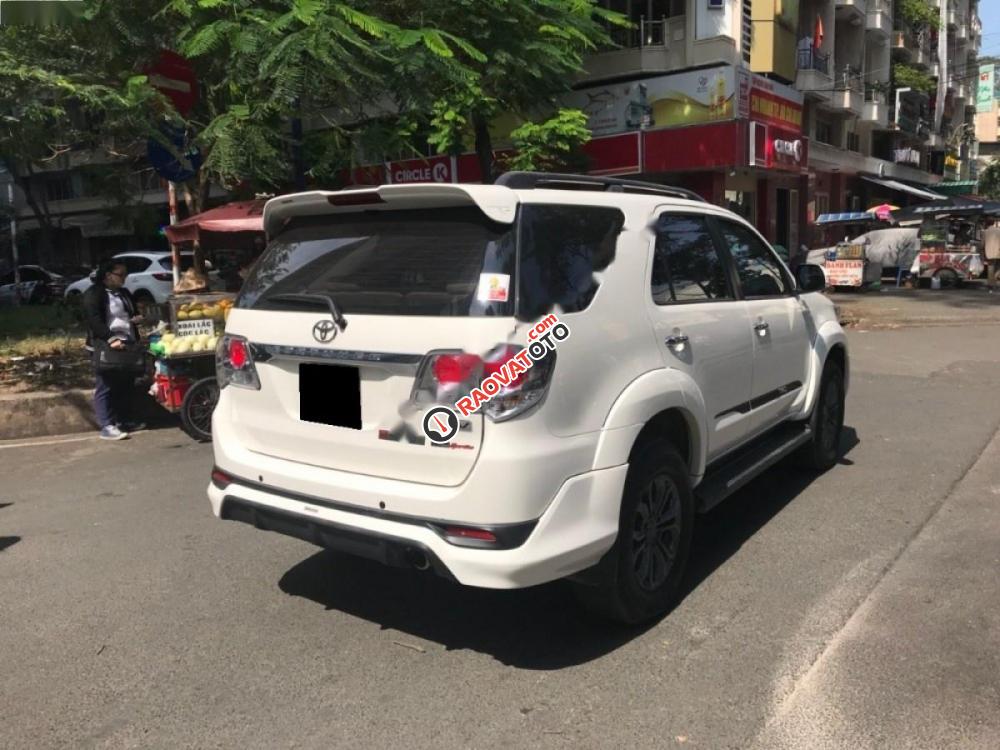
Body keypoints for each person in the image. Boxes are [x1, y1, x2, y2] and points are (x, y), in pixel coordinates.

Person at [83, 259, 145, 440]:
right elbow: (94, 320)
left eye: (125, 275)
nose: (124, 278)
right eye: (120, 275)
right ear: (108, 275)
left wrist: (136, 318)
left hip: (127, 343)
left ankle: (124, 420)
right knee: (106, 384)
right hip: (105, 344)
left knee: (125, 384)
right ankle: (107, 425)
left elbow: (130, 313)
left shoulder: (123, 293)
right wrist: (110, 338)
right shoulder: (94, 293)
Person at [983, 219, 1000, 295]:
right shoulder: (999, 231)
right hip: (998, 252)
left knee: (990, 269)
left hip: (989, 253)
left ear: (987, 224)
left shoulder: (985, 232)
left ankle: (991, 285)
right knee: (998, 268)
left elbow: (982, 243)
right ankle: (994, 281)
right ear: (993, 223)